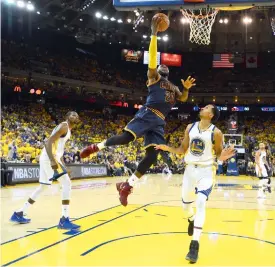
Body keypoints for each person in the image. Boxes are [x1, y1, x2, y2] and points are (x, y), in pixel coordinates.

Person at [80, 16, 196, 206]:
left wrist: (186, 88)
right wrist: (153, 34)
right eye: (161, 64)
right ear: (158, 68)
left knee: (152, 155)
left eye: (165, 65)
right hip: (148, 113)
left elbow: (182, 99)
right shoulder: (154, 76)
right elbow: (152, 56)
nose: (163, 65)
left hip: (159, 121)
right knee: (126, 138)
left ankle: (127, 185)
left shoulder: (174, 87)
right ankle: (96, 147)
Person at [155, 104, 235, 263]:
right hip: (189, 170)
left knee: (200, 202)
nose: (202, 108)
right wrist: (167, 148)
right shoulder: (190, 127)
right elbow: (182, 149)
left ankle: (194, 245)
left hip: (206, 171)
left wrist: (223, 157)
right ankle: (191, 219)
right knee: (185, 206)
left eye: (206, 108)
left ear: (211, 115)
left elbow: (218, 154)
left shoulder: (216, 133)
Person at [10, 111, 81, 230]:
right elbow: (48, 142)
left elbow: (59, 149)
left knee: (43, 186)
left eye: (76, 115)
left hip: (47, 157)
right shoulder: (64, 126)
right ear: (67, 117)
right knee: (66, 184)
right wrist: (53, 161)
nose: (75, 116)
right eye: (72, 114)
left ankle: (20, 213)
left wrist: (63, 165)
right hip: (49, 158)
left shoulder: (67, 129)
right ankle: (64, 219)